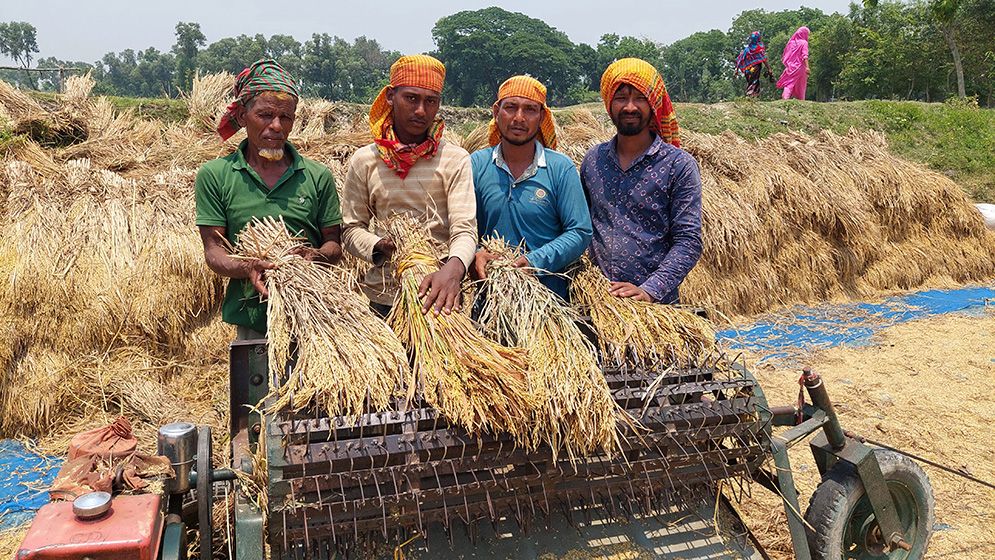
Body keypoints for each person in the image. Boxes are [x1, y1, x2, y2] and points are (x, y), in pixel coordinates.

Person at [195, 59, 343, 339]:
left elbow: (334, 244)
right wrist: (248, 267)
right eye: (265, 115)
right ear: (241, 116)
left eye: (285, 117)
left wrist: (317, 256)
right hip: (252, 321)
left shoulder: (317, 175)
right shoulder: (215, 175)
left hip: (314, 319)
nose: (276, 126)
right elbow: (213, 251)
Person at [341, 54, 476, 317]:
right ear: (391, 96)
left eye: (431, 101)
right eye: (411, 98)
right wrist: (379, 244)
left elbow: (465, 230)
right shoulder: (366, 160)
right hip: (385, 296)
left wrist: (453, 268)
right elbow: (350, 229)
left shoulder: (455, 159)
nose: (421, 111)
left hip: (441, 297)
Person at [580, 58, 702, 304]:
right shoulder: (593, 161)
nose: (630, 107)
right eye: (621, 97)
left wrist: (649, 290)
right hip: (598, 302)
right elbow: (580, 228)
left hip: (656, 308)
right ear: (609, 104)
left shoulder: (678, 165)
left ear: (654, 102)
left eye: (640, 98)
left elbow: (688, 241)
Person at [470, 75, 592, 300]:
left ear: (542, 116)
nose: (519, 118)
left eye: (530, 109)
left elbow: (580, 231)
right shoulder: (477, 164)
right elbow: (463, 226)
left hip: (548, 302)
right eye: (511, 107)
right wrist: (477, 253)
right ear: (496, 113)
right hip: (490, 300)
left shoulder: (559, 168)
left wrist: (535, 261)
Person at [736, 31, 774, 98]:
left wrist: (736, 69)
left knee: (750, 81)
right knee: (755, 81)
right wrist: (769, 69)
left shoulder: (747, 49)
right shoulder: (759, 48)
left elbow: (740, 58)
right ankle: (752, 95)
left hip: (747, 70)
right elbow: (764, 59)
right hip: (755, 68)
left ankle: (750, 95)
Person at [777, 26, 810, 100]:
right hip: (800, 67)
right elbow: (805, 55)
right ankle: (801, 100)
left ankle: (785, 97)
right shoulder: (804, 43)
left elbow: (786, 54)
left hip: (790, 67)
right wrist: (807, 67)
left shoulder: (790, 43)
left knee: (789, 83)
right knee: (801, 85)